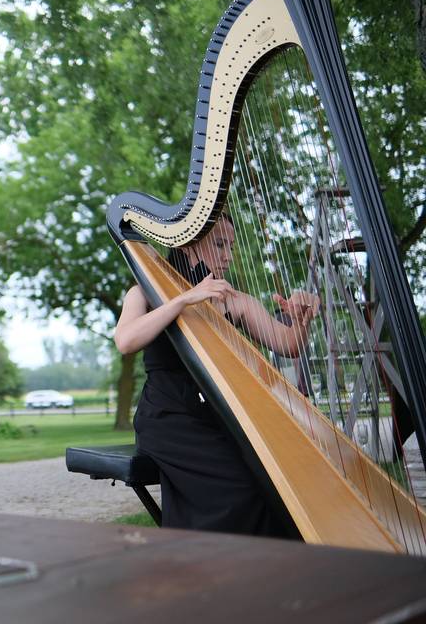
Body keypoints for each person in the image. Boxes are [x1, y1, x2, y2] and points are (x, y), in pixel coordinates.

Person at [113, 216, 319, 536]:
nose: (228, 255)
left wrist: (302, 322)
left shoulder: (233, 300)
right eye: (220, 244)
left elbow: (288, 345)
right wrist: (184, 298)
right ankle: (207, 564)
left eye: (231, 246)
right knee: (239, 490)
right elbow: (125, 342)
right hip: (167, 419)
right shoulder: (142, 292)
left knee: (272, 481)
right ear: (188, 243)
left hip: (218, 417)